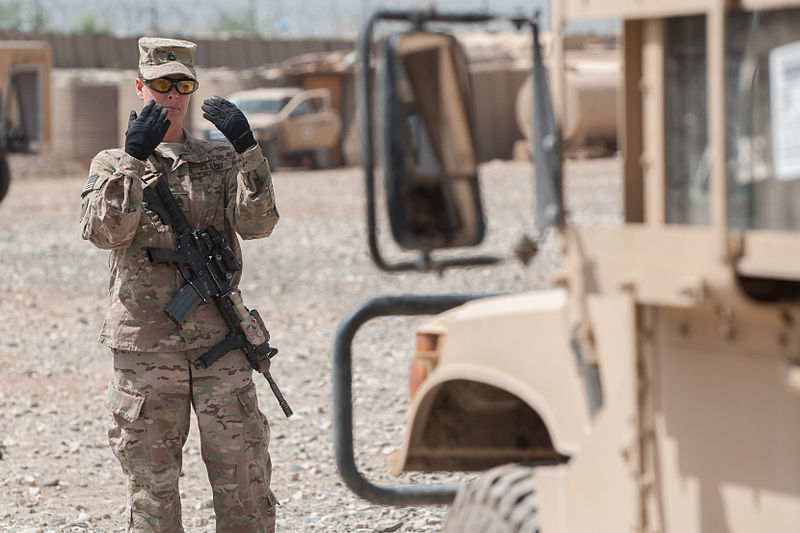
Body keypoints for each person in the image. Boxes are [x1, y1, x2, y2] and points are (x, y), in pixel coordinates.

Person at [79, 37, 279, 532]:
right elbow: (106, 232)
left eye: (183, 84)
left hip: (222, 342)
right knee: (153, 491)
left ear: (192, 90)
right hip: (147, 351)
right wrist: (132, 160)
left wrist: (249, 152)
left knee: (245, 482)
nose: (172, 94)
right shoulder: (111, 164)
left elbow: (258, 224)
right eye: (161, 83)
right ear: (140, 86)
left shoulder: (219, 160)